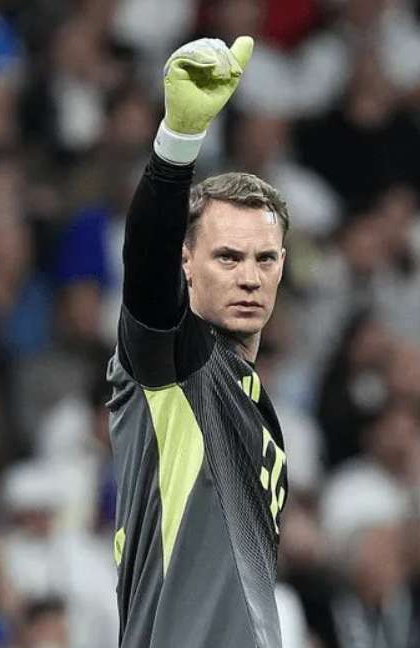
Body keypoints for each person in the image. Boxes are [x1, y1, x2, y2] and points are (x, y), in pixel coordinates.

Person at [106, 35, 290, 647]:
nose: (249, 276)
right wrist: (177, 143)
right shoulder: (175, 363)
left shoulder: (256, 407)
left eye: (265, 259)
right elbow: (146, 263)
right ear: (186, 262)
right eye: (227, 257)